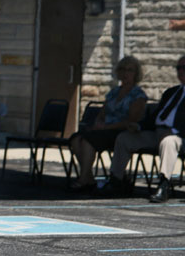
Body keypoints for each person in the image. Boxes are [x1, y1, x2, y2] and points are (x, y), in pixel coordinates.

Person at [102, 54, 185, 202]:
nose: (180, 71)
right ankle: (116, 180)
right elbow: (156, 117)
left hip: (179, 136)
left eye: (183, 68)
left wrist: (174, 131)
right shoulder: (171, 92)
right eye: (178, 68)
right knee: (124, 138)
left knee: (169, 142)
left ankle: (164, 185)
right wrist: (139, 125)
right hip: (157, 133)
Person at [69, 55, 147, 192]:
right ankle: (89, 177)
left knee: (89, 141)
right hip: (104, 129)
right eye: (123, 69)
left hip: (121, 131)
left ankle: (83, 180)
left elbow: (131, 121)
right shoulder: (114, 92)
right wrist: (98, 123)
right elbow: (102, 113)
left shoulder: (138, 95)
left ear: (136, 74)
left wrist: (106, 127)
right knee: (76, 139)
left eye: (130, 70)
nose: (125, 73)